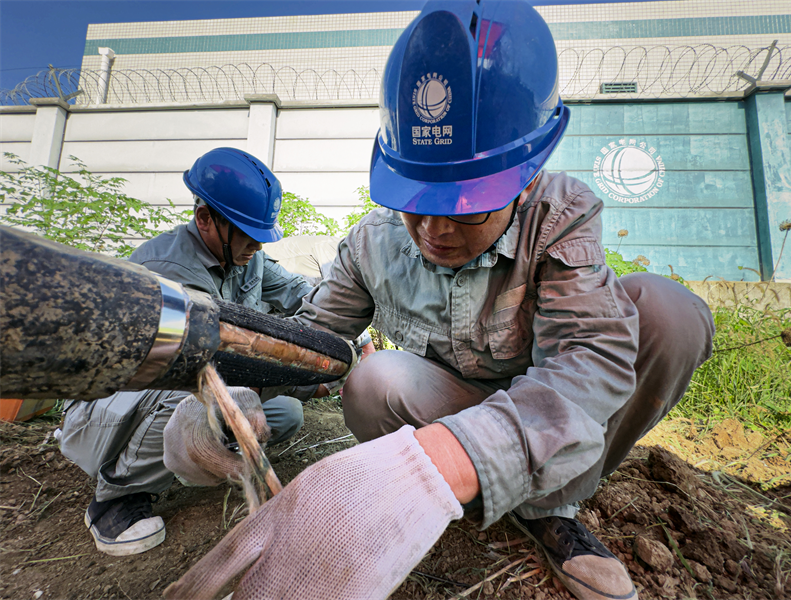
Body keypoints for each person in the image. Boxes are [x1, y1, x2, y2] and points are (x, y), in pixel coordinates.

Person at [162, 3, 715, 600]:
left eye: (467, 206)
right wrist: (222, 383)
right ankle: (473, 491)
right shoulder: (373, 244)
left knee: (668, 313)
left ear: (526, 177)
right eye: (417, 200)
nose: (434, 230)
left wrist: (442, 462)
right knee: (374, 378)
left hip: (548, 403)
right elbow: (309, 338)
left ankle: (553, 508)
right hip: (458, 401)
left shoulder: (560, 214)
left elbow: (589, 356)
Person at [59, 148, 327, 557]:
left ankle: (186, 461)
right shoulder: (168, 270)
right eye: (247, 231)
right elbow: (221, 358)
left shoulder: (244, 255)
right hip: (113, 404)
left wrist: (343, 321)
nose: (257, 243)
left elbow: (296, 290)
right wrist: (315, 376)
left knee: (284, 414)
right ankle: (115, 497)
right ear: (206, 219)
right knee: (199, 388)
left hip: (177, 388)